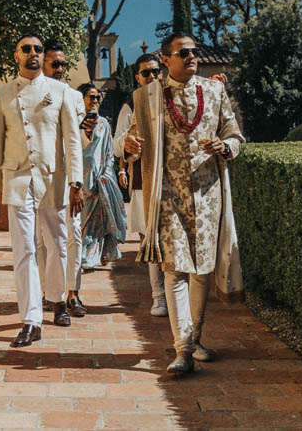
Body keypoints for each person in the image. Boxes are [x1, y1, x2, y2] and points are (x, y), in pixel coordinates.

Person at [126, 32, 245, 374]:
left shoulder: (215, 91)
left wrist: (225, 147)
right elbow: (134, 136)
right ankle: (182, 349)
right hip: (166, 195)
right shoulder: (147, 96)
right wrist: (130, 146)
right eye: (184, 52)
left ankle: (195, 337)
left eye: (193, 52)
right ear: (166, 59)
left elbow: (235, 135)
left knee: (202, 269)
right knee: (174, 269)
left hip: (208, 194)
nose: (192, 57)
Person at [0, 34, 83, 347]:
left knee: (56, 245)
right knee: (24, 249)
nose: (33, 53)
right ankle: (31, 319)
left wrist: (76, 182)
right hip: (16, 180)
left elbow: (72, 141)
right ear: (16, 56)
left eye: (38, 50)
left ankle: (56, 298)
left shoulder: (61, 91)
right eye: (26, 49)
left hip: (52, 179)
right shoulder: (2, 94)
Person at [35, 40, 88, 321]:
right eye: (54, 63)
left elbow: (77, 142)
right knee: (43, 241)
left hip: (69, 178)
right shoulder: (31, 92)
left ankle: (73, 292)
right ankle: (48, 291)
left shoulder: (71, 95)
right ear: (43, 62)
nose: (59, 68)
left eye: (63, 64)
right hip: (40, 177)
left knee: (73, 236)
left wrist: (76, 183)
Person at [115, 53, 168, 317]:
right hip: (142, 180)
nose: (151, 77)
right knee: (149, 239)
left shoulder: (172, 100)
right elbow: (117, 145)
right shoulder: (130, 105)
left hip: (171, 179)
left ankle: (173, 295)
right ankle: (159, 297)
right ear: (137, 77)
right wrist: (127, 144)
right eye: (145, 73)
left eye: (155, 71)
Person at [77, 84, 126, 270]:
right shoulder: (74, 121)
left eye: (97, 97)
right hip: (82, 179)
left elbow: (108, 150)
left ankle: (93, 256)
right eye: (91, 96)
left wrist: (108, 172)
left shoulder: (104, 123)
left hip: (101, 178)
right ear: (81, 99)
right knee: (83, 220)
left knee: (99, 220)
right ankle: (81, 257)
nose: (95, 100)